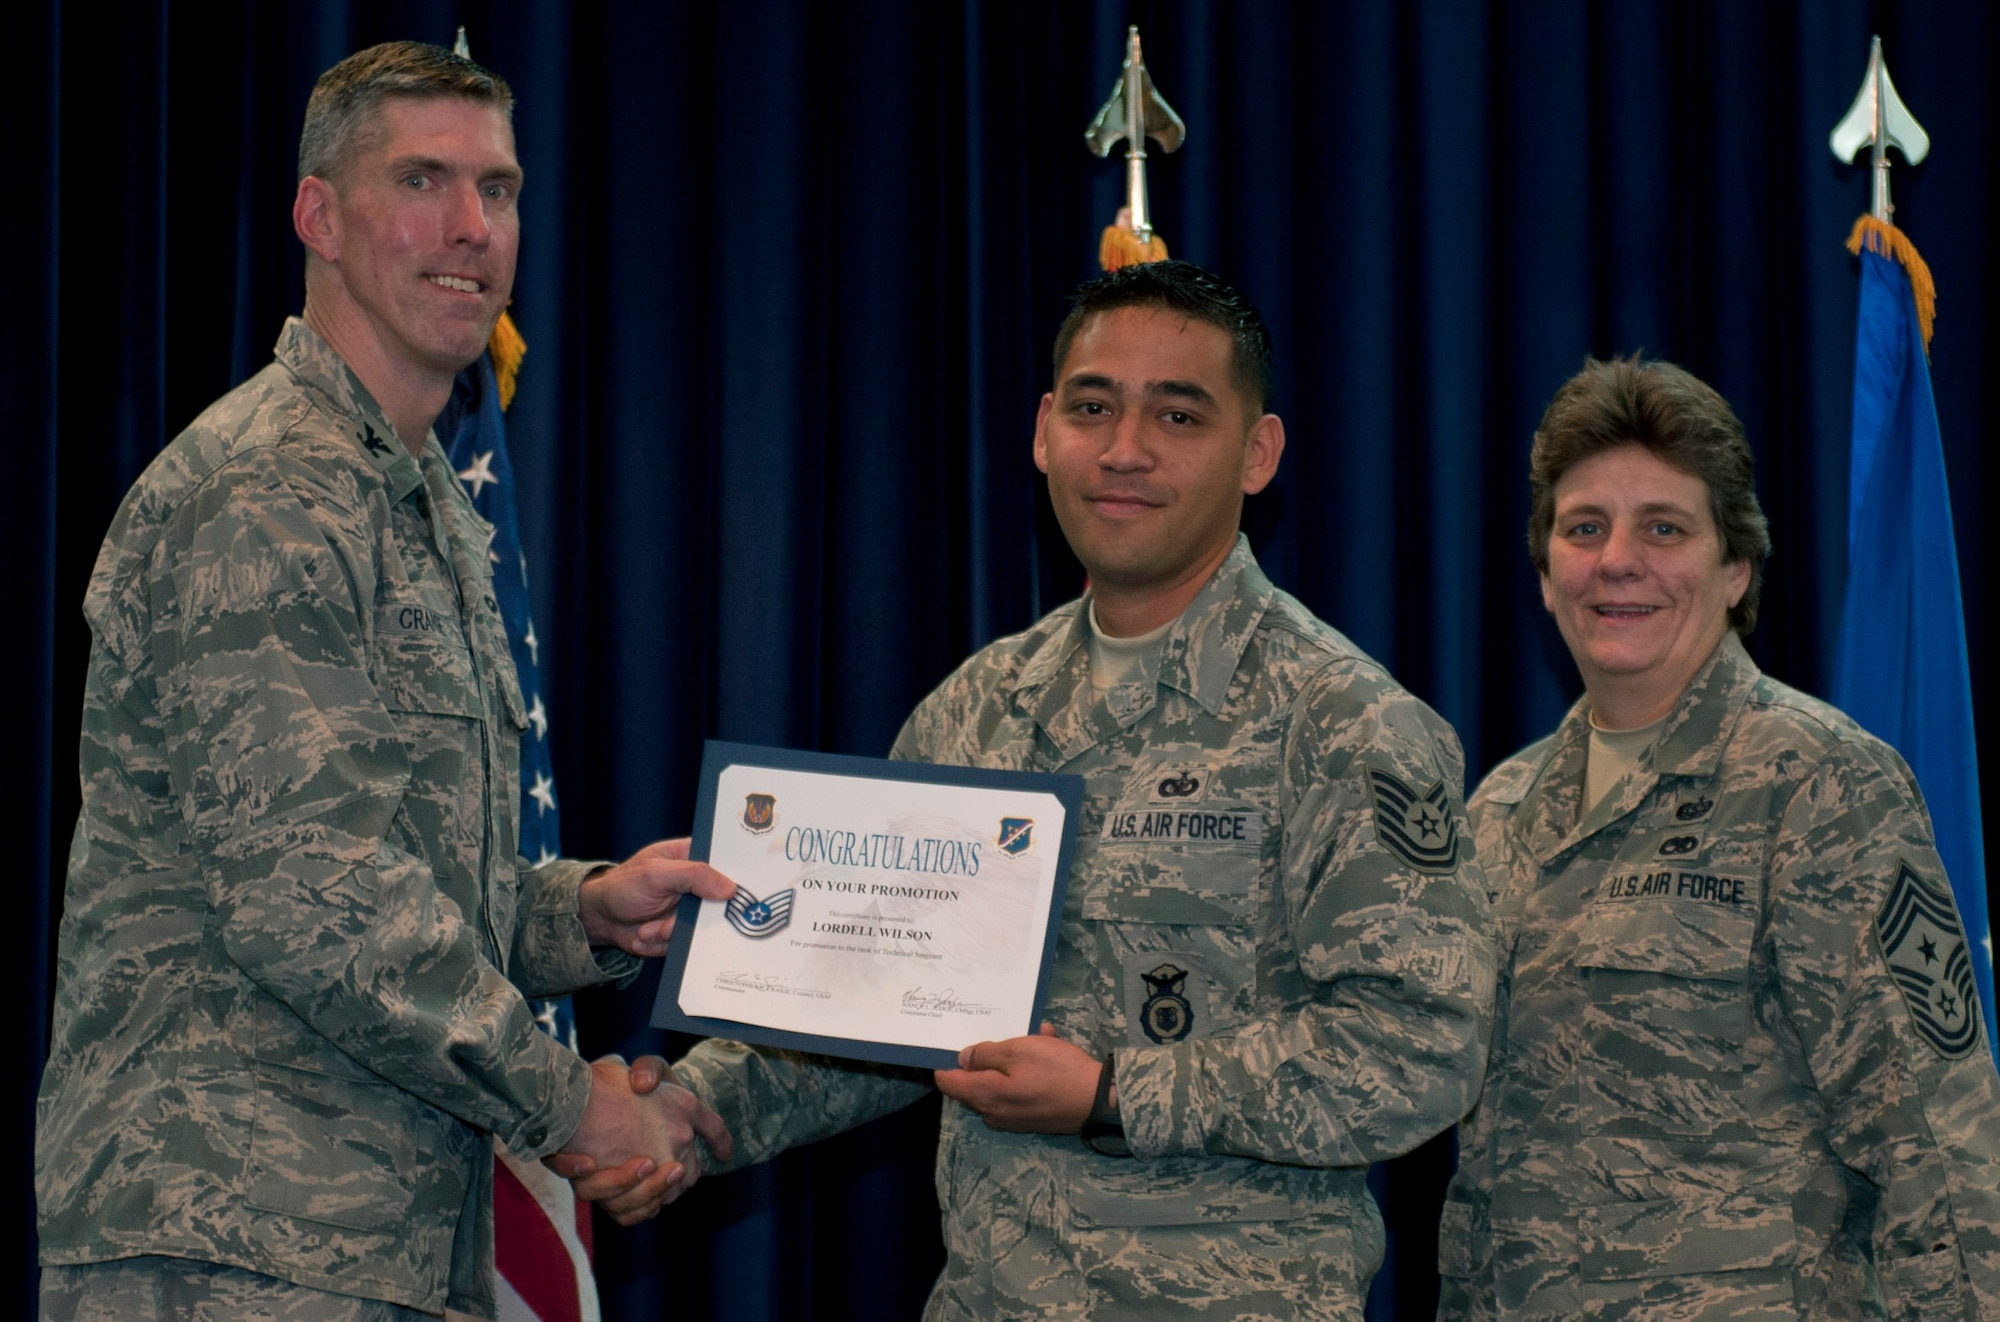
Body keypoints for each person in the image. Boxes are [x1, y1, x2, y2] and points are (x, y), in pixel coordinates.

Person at [573, 260, 1495, 1318]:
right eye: (1094, 406)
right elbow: (875, 1006)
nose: (1125, 449)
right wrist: (690, 1105)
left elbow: (1421, 1046)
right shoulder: (977, 709)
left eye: (1178, 415)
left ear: (1257, 454)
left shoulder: (1341, 722)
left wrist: (1112, 1093)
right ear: (1043, 429)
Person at [35, 42, 732, 1321]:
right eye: (422, 180)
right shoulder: (265, 491)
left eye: (501, 190)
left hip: (379, 1245)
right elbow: (319, 899)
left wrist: (582, 912)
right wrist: (575, 1101)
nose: (472, 229)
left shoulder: (414, 504)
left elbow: (404, 869)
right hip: (228, 1241)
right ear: (320, 216)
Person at [1435, 357, 2000, 1319]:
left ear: (1735, 568)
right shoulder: (1498, 814)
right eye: (1584, 529)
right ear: (1543, 574)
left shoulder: (1822, 783)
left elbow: (1936, 1148)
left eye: (1664, 527)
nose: (1618, 560)